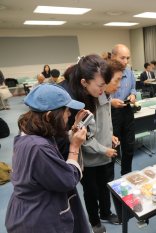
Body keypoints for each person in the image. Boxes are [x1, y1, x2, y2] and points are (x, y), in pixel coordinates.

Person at [5, 84, 90, 233]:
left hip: (24, 211)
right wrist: (75, 147)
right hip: (37, 220)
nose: (69, 114)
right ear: (50, 116)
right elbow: (68, 180)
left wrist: (72, 130)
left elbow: (51, 140)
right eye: (66, 110)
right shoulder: (39, 148)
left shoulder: (28, 133)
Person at [63, 55, 121, 233]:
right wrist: (104, 149)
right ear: (84, 82)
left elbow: (104, 121)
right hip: (89, 158)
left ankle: (105, 212)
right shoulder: (80, 103)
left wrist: (109, 135)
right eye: (102, 84)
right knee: (91, 191)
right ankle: (95, 221)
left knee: (106, 187)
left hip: (104, 154)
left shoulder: (102, 94)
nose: (115, 85)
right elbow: (84, 138)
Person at [110, 44, 137, 176]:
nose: (126, 62)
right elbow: (97, 98)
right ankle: (109, 180)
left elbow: (133, 88)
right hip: (110, 114)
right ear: (113, 57)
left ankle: (126, 175)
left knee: (129, 147)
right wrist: (111, 102)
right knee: (113, 149)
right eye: (122, 58)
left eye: (128, 58)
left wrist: (133, 95)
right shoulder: (105, 73)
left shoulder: (129, 72)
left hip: (126, 111)